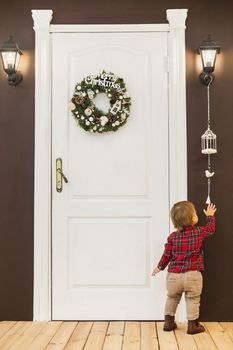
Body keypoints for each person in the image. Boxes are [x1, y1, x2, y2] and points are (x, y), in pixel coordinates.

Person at [151, 201, 216, 334]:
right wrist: (210, 216)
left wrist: (159, 267)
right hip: (193, 275)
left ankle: (168, 323)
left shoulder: (172, 237)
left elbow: (167, 255)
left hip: (174, 276)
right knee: (193, 299)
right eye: (195, 213)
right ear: (193, 218)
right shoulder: (198, 232)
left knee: (172, 298)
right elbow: (210, 229)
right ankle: (193, 325)